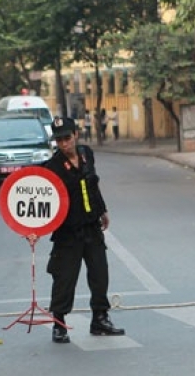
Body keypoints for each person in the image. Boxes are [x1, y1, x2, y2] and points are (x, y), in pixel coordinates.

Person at [29, 117, 124, 344]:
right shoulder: (51, 168)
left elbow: (92, 184)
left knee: (100, 274)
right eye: (59, 140)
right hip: (67, 232)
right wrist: (35, 231)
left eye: (67, 138)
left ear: (76, 135)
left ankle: (100, 318)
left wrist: (103, 210)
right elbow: (44, 204)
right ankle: (59, 324)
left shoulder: (86, 154)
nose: (63, 144)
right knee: (64, 279)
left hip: (91, 227)